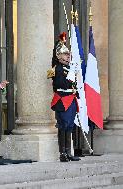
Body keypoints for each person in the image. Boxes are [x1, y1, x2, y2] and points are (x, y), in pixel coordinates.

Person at [48, 32, 80, 162]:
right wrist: (70, 75)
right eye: (65, 55)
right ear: (59, 56)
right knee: (63, 125)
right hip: (62, 98)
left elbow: (74, 84)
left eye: (68, 55)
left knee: (70, 126)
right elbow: (59, 84)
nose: (68, 57)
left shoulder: (69, 68)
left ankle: (68, 152)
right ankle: (62, 153)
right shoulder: (57, 69)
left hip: (71, 98)